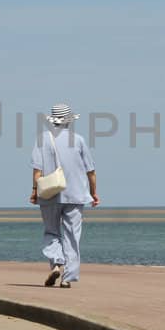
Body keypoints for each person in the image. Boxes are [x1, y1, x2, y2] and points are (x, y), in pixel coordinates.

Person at [29, 102, 98, 288]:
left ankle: (57, 262)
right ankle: (68, 278)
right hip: (76, 195)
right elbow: (90, 171)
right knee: (72, 237)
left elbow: (37, 171)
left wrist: (34, 192)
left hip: (49, 194)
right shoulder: (79, 140)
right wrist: (93, 193)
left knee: (51, 231)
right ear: (69, 121)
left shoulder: (41, 139)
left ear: (53, 120)